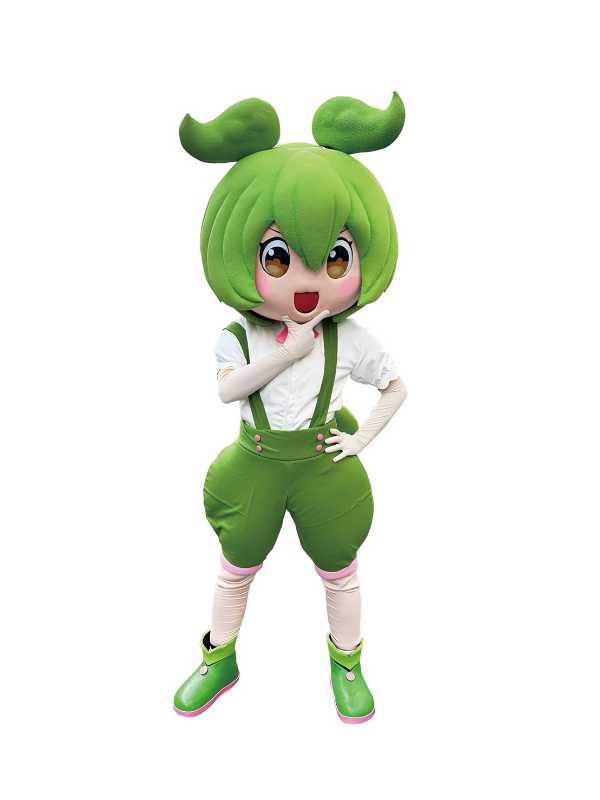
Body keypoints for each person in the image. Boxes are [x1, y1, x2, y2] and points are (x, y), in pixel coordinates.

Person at [173, 93, 407, 723]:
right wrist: (286, 352)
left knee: (341, 572)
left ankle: (347, 663)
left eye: (335, 257)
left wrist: (358, 442)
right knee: (234, 570)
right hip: (253, 467)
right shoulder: (238, 335)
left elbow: (395, 386)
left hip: (323, 470)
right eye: (277, 256)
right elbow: (228, 390)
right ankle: (219, 658)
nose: (308, 282)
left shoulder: (349, 338)